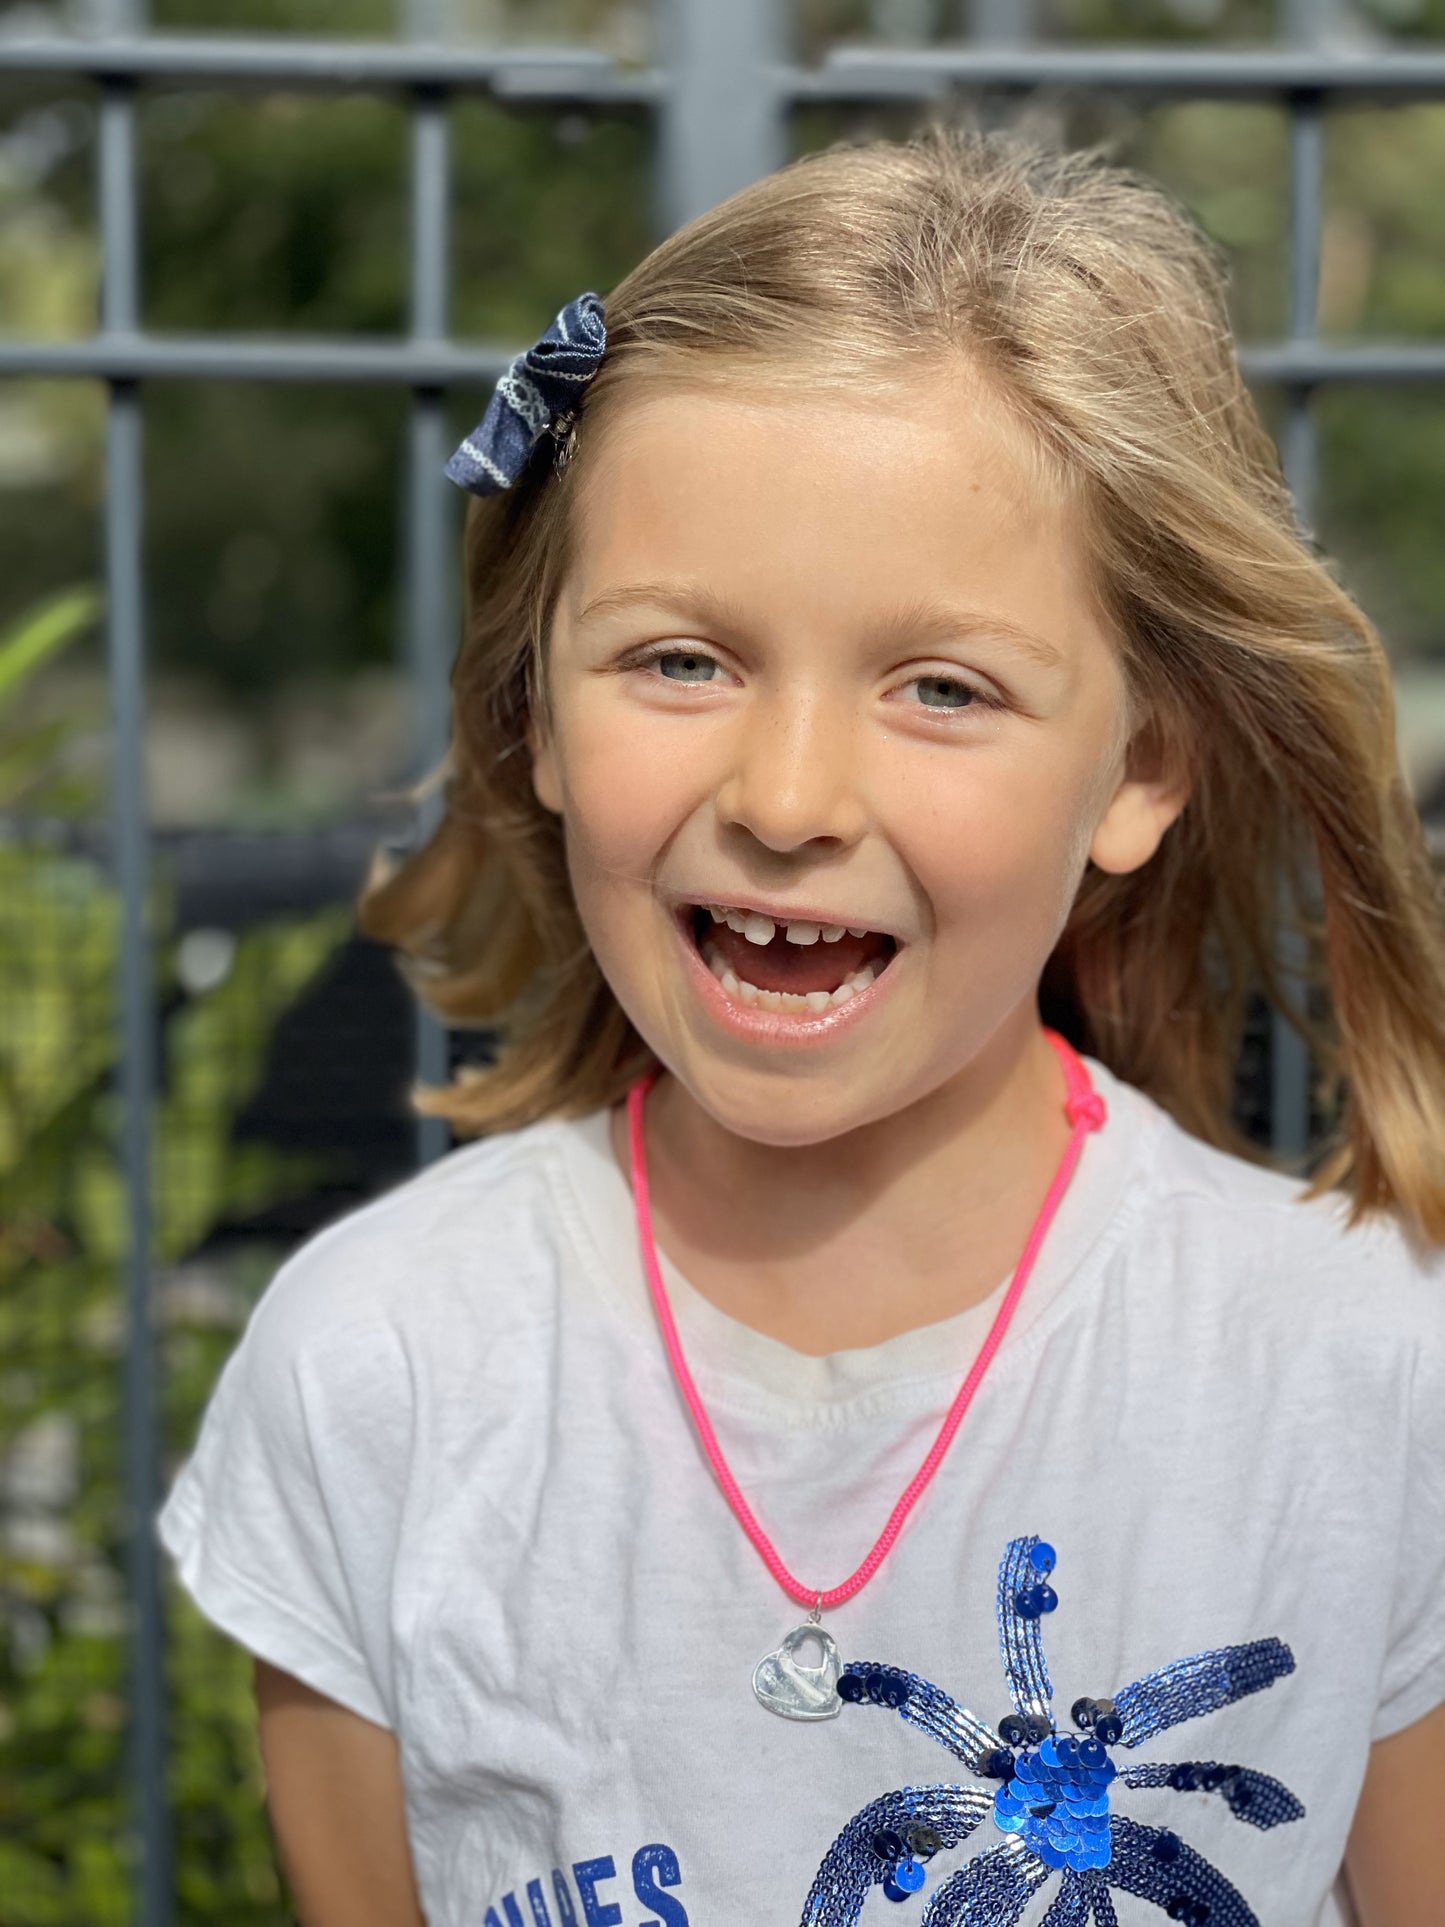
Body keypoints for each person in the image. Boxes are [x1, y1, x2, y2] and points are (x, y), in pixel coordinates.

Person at [157, 123, 1445, 1927]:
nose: (784, 792)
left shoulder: (1368, 1377)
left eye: (940, 685)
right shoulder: (374, 1370)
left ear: (1142, 766)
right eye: (680, 658)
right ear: (530, 709)